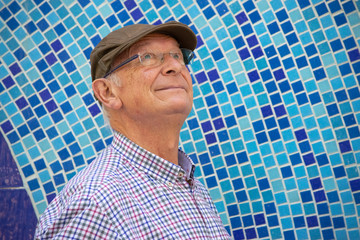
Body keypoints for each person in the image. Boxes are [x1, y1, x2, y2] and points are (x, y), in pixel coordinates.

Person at [35, 21, 231, 239]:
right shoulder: (94, 203)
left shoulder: (194, 188)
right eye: (147, 57)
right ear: (107, 92)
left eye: (178, 56)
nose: (175, 67)